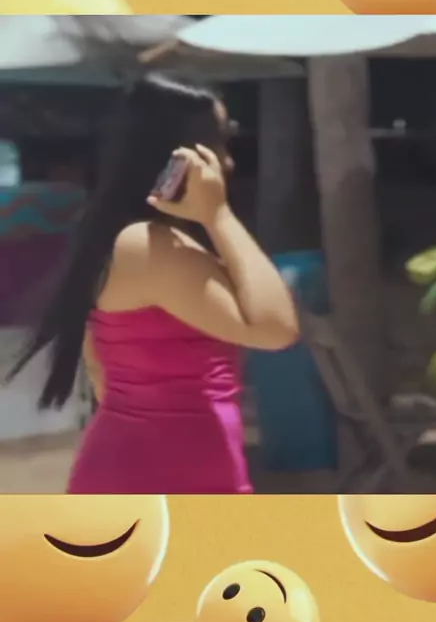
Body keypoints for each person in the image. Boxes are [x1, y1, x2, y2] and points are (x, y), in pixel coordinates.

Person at [8, 74, 299, 493]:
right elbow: (276, 328)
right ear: (181, 152)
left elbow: (101, 369)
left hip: (172, 470)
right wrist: (219, 216)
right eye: (220, 141)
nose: (228, 161)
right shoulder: (147, 245)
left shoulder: (138, 239)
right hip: (153, 478)